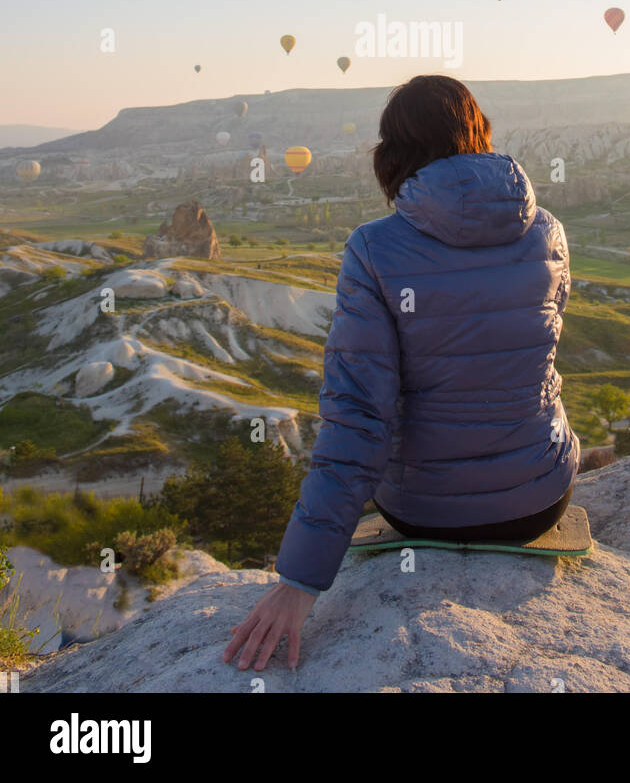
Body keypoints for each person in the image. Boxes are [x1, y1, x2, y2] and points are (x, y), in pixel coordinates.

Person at [223, 75, 580, 671]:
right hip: (540, 500)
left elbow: (359, 417)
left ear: (392, 154)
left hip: (423, 509)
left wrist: (299, 582)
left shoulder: (373, 249)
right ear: (479, 132)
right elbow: (534, 357)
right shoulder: (547, 231)